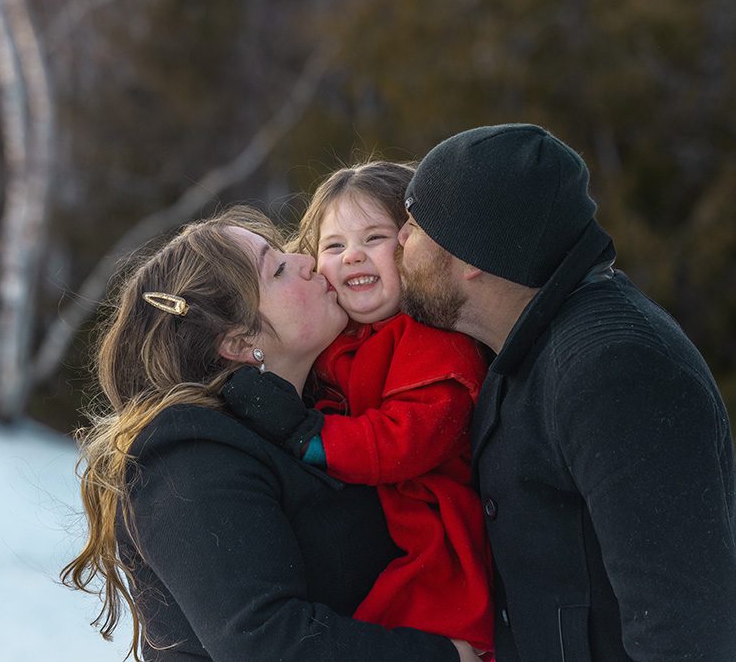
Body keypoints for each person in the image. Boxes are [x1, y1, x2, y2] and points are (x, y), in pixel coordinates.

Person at [396, 124, 736, 660]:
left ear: (473, 252)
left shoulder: (617, 369)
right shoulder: (520, 346)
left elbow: (686, 629)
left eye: (414, 223)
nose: (400, 239)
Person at [60, 206, 479, 661]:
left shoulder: (322, 417)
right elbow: (263, 642)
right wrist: (443, 657)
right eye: (278, 269)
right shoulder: (188, 457)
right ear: (239, 343)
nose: (306, 260)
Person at [223, 161, 493, 654]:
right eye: (333, 245)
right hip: (369, 536)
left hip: (428, 547)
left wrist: (309, 437)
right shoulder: (332, 338)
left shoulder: (435, 341)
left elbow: (406, 441)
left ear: (414, 246)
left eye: (374, 238)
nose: (352, 257)